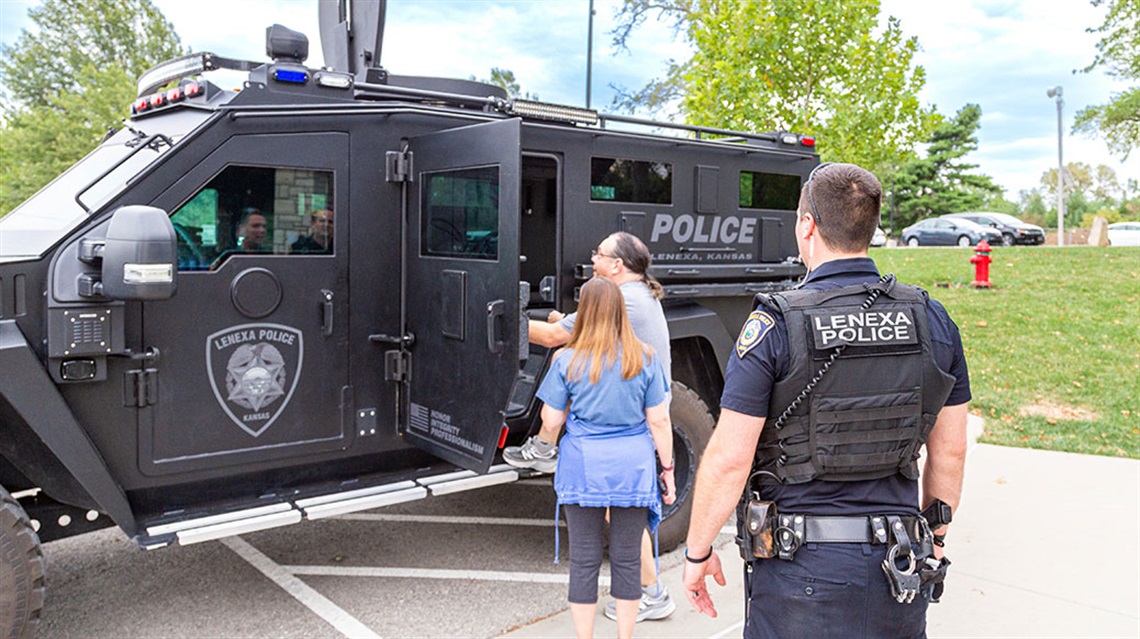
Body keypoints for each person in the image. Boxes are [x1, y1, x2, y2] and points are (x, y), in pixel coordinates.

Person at [681, 163, 971, 638]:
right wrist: (934, 536)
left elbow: (731, 459)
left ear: (807, 225)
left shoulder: (775, 325)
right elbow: (950, 450)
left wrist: (697, 552)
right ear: (870, 228)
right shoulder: (932, 319)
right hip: (898, 564)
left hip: (800, 573)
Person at [504, 231, 676, 622]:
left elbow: (552, 338)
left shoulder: (623, 300)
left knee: (615, 521)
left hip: (623, 427)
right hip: (642, 416)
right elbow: (570, 326)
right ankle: (650, 593)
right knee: (624, 515)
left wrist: (502, 319)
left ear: (617, 265)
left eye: (598, 254)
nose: (592, 258)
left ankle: (653, 593)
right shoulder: (636, 295)